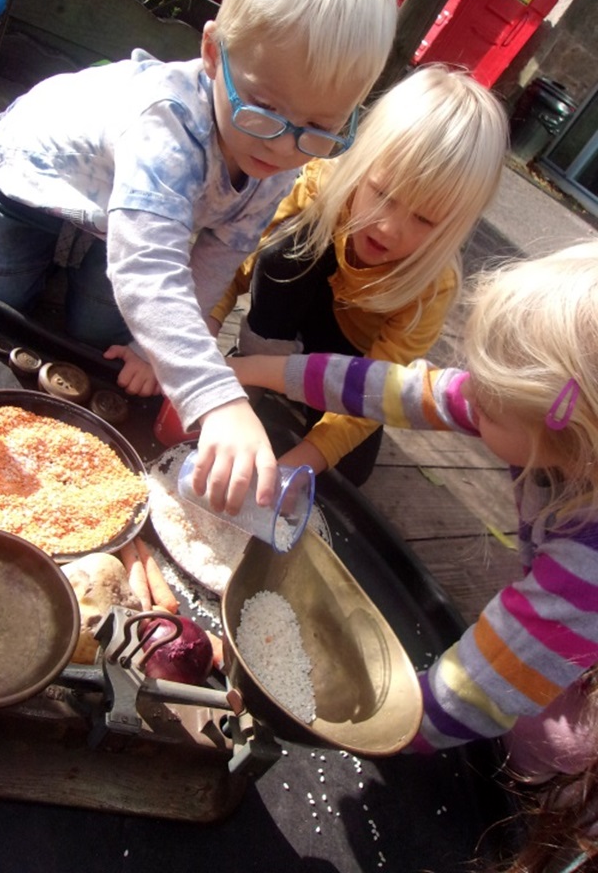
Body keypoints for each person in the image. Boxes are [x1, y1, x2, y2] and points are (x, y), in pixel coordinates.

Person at [0, 0, 397, 516]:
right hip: (42, 171)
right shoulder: (168, 124)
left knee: (103, 333)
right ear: (214, 53)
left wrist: (149, 347)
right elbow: (145, 267)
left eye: (320, 128)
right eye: (264, 107)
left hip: (127, 212)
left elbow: (217, 253)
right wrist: (213, 394)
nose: (281, 146)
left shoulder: (281, 157)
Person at [230, 243, 598, 867]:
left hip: (573, 668)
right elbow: (404, 389)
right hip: (568, 608)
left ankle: (550, 813)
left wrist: (383, 722)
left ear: (563, 430)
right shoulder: (540, 420)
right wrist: (266, 372)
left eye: (488, 399)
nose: (469, 395)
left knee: (551, 747)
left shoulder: (584, 567)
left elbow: (478, 690)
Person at [209, 63, 509, 485]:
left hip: (353, 361)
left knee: (349, 471)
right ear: (362, 163)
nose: (389, 228)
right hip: (288, 313)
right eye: (383, 194)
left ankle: (286, 391)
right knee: (286, 253)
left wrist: (300, 461)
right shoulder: (321, 185)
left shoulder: (432, 286)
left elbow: (379, 388)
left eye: (424, 219)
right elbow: (236, 263)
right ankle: (257, 370)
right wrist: (203, 328)